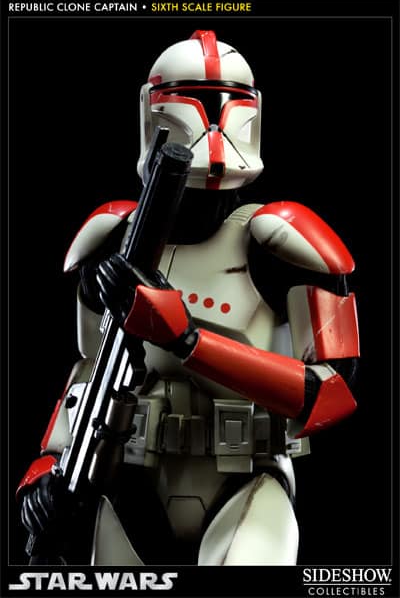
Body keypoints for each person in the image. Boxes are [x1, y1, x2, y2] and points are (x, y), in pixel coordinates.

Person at [17, 30, 360, 566]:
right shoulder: (111, 236)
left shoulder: (279, 239)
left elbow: (332, 395)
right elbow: (89, 371)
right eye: (194, 101)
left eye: (223, 104)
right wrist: (47, 468)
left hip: (244, 480)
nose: (212, 123)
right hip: (129, 482)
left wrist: (188, 340)